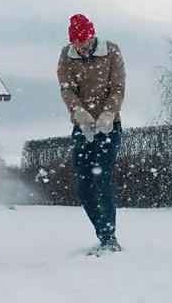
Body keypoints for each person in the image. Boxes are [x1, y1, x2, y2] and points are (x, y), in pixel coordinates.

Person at [56, 13, 126, 255]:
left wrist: (108, 113)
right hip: (83, 129)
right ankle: (102, 232)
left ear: (91, 36)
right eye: (76, 43)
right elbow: (66, 89)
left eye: (83, 42)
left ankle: (109, 238)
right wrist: (79, 113)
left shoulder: (111, 52)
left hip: (109, 128)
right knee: (83, 185)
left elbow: (118, 87)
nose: (80, 47)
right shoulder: (67, 56)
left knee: (102, 178)